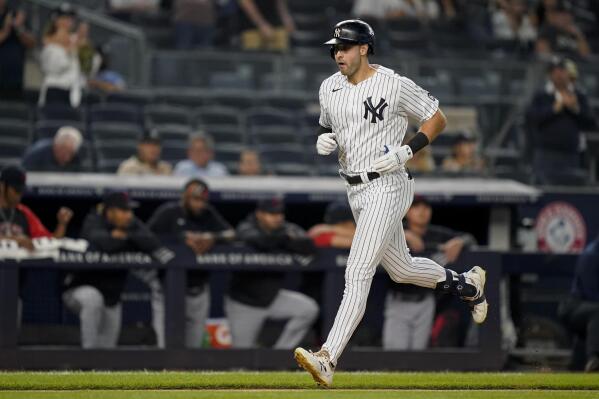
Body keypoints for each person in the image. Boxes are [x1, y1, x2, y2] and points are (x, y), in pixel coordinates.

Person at [293, 20, 487, 387]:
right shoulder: (329, 86)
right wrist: (325, 139)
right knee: (401, 269)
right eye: (335, 48)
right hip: (354, 189)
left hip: (390, 184)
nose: (338, 54)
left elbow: (437, 118)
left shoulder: (393, 84)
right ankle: (467, 284)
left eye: (345, 48)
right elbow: (326, 125)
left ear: (364, 48)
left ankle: (327, 357)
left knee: (358, 269)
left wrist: (407, 150)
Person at [62, 190, 173, 348]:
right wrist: (131, 239)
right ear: (110, 212)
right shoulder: (93, 220)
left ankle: (100, 370)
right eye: (124, 211)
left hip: (112, 295)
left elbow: (152, 242)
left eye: (130, 210)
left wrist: (125, 235)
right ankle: (87, 359)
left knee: (108, 351)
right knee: (93, 299)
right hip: (78, 289)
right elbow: (107, 244)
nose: (129, 215)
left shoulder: (130, 224)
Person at [147, 179, 235, 348]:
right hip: (167, 289)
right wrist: (180, 238)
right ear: (185, 197)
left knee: (193, 349)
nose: (199, 204)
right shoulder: (169, 212)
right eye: (194, 199)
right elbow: (146, 237)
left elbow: (231, 233)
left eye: (202, 200)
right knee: (166, 347)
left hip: (197, 290)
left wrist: (212, 237)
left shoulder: (208, 214)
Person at [383, 195, 475, 350]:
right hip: (399, 300)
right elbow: (374, 235)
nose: (422, 211)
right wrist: (405, 234)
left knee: (420, 354)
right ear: (406, 212)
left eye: (426, 207)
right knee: (395, 354)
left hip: (426, 301)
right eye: (416, 207)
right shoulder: (395, 230)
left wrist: (460, 242)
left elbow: (470, 238)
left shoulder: (436, 234)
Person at [225, 198, 319, 349]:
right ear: (260, 214)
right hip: (245, 303)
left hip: (273, 298)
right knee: (241, 359)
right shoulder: (246, 226)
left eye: (280, 213)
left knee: (308, 309)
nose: (278, 217)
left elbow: (309, 245)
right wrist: (286, 240)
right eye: (272, 214)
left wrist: (282, 240)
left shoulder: (286, 228)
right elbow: (260, 241)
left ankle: (280, 353)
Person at [0, 165, 73, 326]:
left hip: (12, 289)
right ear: (2, 186)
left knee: (8, 340)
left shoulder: (23, 213)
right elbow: (17, 240)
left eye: (21, 191)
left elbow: (49, 241)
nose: (19, 195)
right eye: (15, 190)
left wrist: (61, 224)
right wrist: (15, 240)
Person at [525, 56, 595, 185]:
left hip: (571, 154)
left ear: (568, 73)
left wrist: (575, 109)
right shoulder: (541, 95)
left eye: (562, 71)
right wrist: (554, 109)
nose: (559, 74)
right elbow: (532, 119)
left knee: (570, 194)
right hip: (546, 155)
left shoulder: (579, 95)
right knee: (544, 191)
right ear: (549, 74)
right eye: (555, 71)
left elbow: (591, 123)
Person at [558, 234, 599, 372]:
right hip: (574, 306)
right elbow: (591, 294)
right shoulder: (591, 255)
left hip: (590, 309)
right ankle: (595, 359)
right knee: (597, 312)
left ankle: (578, 365)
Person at [38, 3, 85, 108]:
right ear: (56, 20)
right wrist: (69, 49)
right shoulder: (48, 42)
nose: (69, 21)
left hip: (73, 91)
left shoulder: (74, 39)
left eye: (71, 18)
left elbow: (86, 66)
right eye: (64, 18)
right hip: (55, 90)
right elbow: (56, 67)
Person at [0, 0, 36, 100]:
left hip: (14, 79)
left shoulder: (15, 14)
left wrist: (19, 28)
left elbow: (32, 43)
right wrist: (6, 29)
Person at [22, 126, 91, 172]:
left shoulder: (77, 158)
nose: (66, 157)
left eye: (70, 153)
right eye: (63, 151)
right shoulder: (36, 154)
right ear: (55, 145)